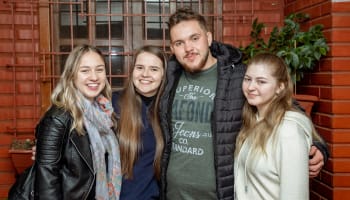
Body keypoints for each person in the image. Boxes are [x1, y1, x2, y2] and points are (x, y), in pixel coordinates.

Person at [158, 7, 329, 200]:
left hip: (221, 194)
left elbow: (288, 107)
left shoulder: (239, 76)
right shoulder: (168, 79)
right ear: (172, 48)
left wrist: (317, 146)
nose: (188, 48)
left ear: (208, 37)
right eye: (179, 43)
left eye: (194, 38)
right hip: (173, 194)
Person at [34, 44, 122, 199]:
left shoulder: (105, 113)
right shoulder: (58, 118)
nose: (94, 77)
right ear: (71, 75)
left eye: (99, 70)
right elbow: (47, 182)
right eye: (85, 70)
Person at [234, 52, 325, 199]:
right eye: (247, 79)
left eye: (261, 81)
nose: (251, 87)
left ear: (280, 87)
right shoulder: (252, 120)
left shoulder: (289, 132)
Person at [112, 46, 167, 199]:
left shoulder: (169, 109)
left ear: (163, 74)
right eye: (140, 67)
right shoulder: (112, 103)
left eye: (154, 69)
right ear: (132, 71)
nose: (145, 74)